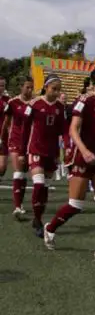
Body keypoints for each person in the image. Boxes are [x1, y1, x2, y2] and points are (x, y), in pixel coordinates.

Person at [44, 65, 95, 264]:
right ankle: (50, 228)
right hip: (82, 158)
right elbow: (73, 130)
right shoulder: (84, 101)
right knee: (75, 205)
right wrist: (85, 151)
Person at [24, 75, 66, 237]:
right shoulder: (35, 104)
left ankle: (38, 218)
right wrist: (22, 149)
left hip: (51, 152)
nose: (56, 92)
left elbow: (63, 130)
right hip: (36, 149)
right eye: (53, 89)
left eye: (58, 89)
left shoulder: (60, 107)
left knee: (46, 187)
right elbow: (25, 127)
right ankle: (37, 219)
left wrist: (62, 151)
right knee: (39, 184)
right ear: (46, 87)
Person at [1, 76, 35, 219]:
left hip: (31, 142)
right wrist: (3, 139)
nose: (29, 89)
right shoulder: (13, 103)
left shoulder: (35, 103)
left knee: (24, 173)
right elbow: (6, 123)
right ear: (21, 87)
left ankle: (19, 203)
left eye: (31, 87)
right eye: (27, 87)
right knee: (18, 171)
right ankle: (17, 207)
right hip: (15, 141)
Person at [0, 76, 9, 186]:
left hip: (4, 136)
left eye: (3, 85)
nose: (1, 87)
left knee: (2, 168)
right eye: (0, 85)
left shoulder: (8, 101)